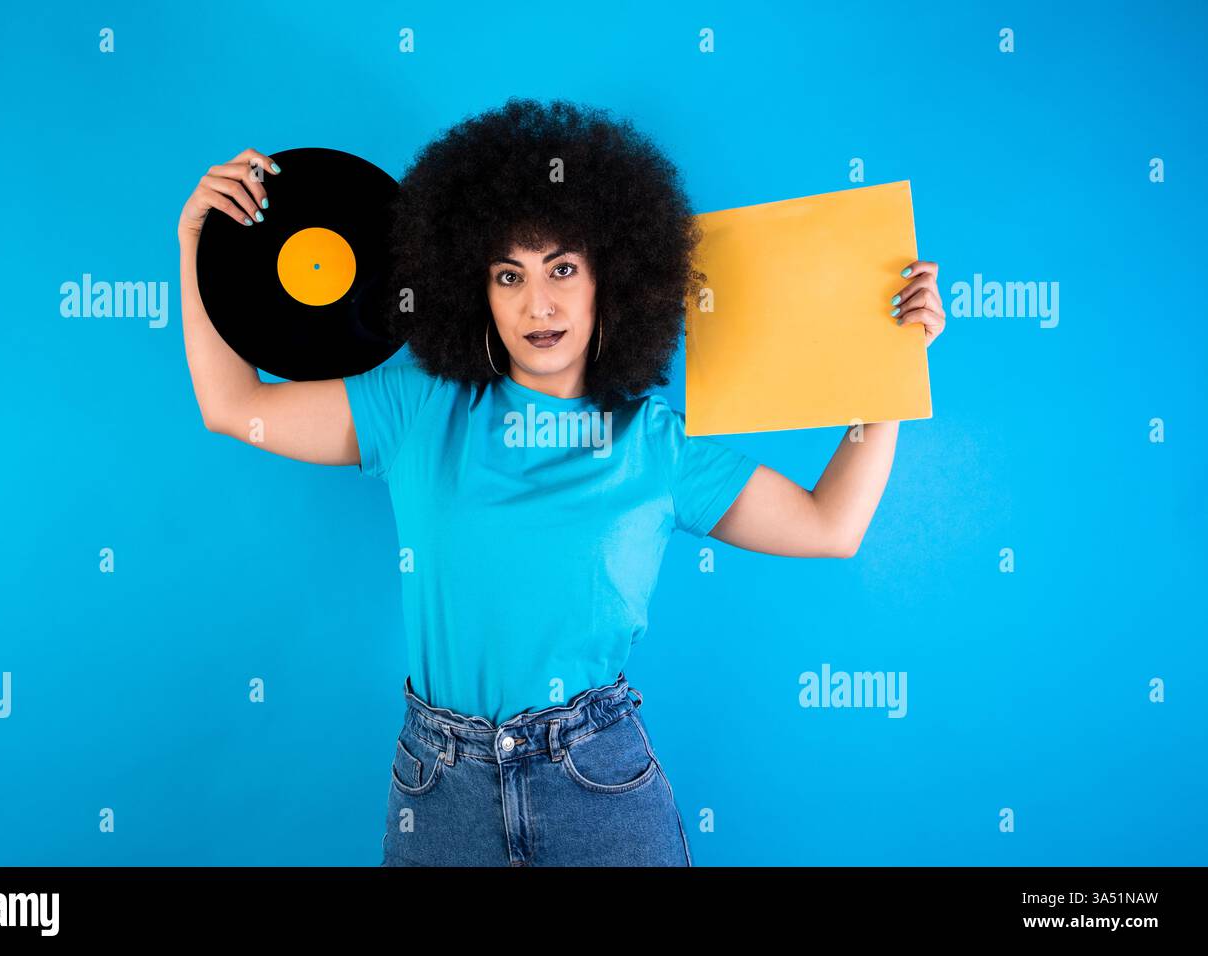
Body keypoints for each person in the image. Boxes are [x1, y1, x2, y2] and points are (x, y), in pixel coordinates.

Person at [175, 97, 947, 867]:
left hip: (599, 789)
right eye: (508, 273)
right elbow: (232, 406)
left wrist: (885, 369)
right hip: (439, 791)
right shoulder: (418, 406)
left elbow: (829, 525)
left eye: (563, 268)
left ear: (612, 280)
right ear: (473, 286)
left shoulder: (658, 444)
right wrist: (196, 241)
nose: (536, 303)